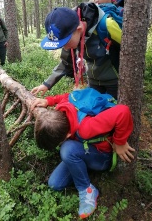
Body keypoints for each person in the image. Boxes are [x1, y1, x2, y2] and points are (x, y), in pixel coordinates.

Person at [31, 88, 135, 219]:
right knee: (55, 184)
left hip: (102, 155)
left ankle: (87, 190)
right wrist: (48, 100)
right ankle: (80, 166)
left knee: (67, 149)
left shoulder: (86, 128)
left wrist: (120, 143)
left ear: (68, 135)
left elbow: (123, 111)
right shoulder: (61, 108)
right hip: (83, 149)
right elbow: (67, 95)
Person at [31, 1, 122, 99]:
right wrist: (46, 84)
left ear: (79, 29)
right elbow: (66, 63)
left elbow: (131, 52)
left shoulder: (107, 26)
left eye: (66, 42)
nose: (65, 48)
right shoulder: (72, 35)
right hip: (93, 82)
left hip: (115, 82)